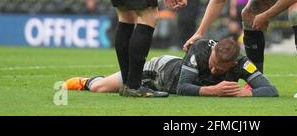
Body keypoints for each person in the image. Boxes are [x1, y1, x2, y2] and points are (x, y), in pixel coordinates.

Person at [63, 38, 278, 97]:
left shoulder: (242, 63)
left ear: (232, 64)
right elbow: (183, 87)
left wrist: (243, 94)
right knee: (101, 88)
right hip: (159, 71)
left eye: (220, 70)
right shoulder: (201, 48)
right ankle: (87, 81)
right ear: (212, 54)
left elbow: (270, 90)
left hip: (167, 81)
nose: (213, 71)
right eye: (212, 65)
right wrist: (213, 90)